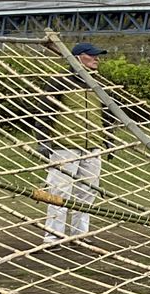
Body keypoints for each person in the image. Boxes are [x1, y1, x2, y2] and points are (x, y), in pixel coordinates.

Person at [42, 42, 108, 244]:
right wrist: (43, 141)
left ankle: (80, 234)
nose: (97, 59)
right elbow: (43, 114)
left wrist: (108, 139)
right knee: (60, 191)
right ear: (79, 57)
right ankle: (53, 236)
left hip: (93, 144)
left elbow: (106, 114)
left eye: (97, 56)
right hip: (65, 144)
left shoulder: (99, 84)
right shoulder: (59, 82)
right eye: (92, 55)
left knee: (87, 192)